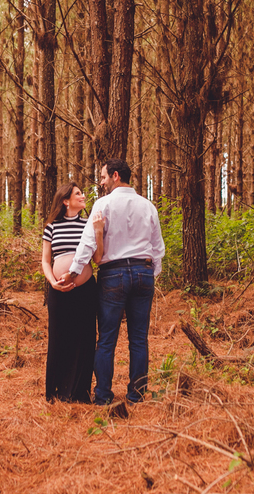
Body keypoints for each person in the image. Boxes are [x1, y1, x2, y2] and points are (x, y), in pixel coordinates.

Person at [61, 159, 164, 405]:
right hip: (143, 272)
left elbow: (87, 244)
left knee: (107, 338)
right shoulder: (148, 206)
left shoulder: (103, 204)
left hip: (113, 275)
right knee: (139, 338)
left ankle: (104, 396)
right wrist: (151, 275)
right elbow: (157, 248)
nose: (102, 182)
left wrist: (73, 273)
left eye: (104, 177)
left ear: (116, 176)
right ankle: (136, 396)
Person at [40, 182, 103, 403]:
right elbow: (46, 261)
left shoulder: (88, 224)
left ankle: (79, 393)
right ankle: (57, 391)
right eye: (78, 193)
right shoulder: (52, 227)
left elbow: (97, 259)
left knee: (85, 338)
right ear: (66, 201)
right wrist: (52, 282)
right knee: (59, 337)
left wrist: (99, 232)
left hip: (85, 290)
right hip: (58, 290)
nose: (83, 196)